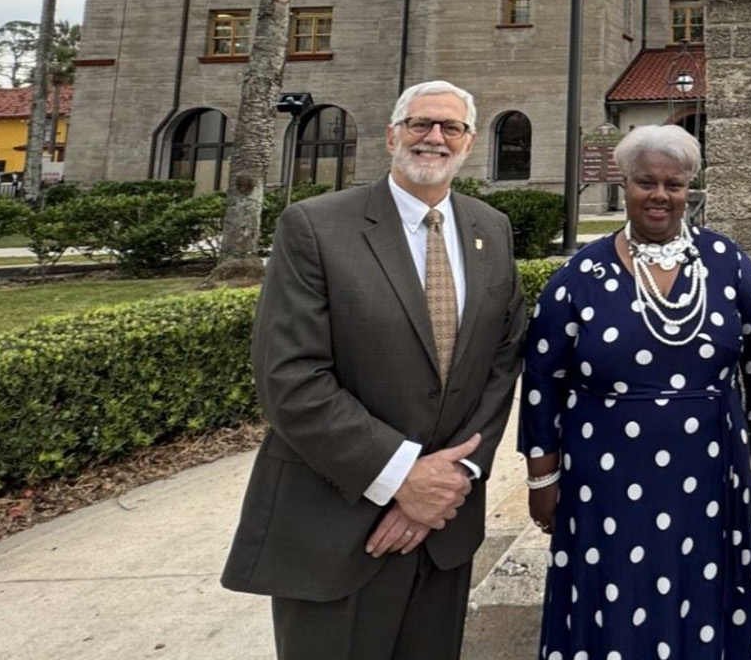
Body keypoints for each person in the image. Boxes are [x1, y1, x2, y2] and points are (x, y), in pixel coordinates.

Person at [222, 80, 526, 660]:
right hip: (337, 526)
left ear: (468, 146)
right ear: (392, 136)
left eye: (451, 128)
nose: (434, 137)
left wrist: (451, 480)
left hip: (446, 528)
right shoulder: (315, 228)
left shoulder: (491, 229)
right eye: (420, 124)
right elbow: (291, 378)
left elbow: (503, 357)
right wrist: (401, 478)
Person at [520, 124, 751, 659]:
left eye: (674, 184)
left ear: (689, 189)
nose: (660, 195)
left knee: (701, 586)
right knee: (616, 592)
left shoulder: (726, 262)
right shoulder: (579, 275)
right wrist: (542, 476)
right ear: (625, 184)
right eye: (646, 182)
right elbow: (543, 380)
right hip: (606, 475)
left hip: (710, 468)